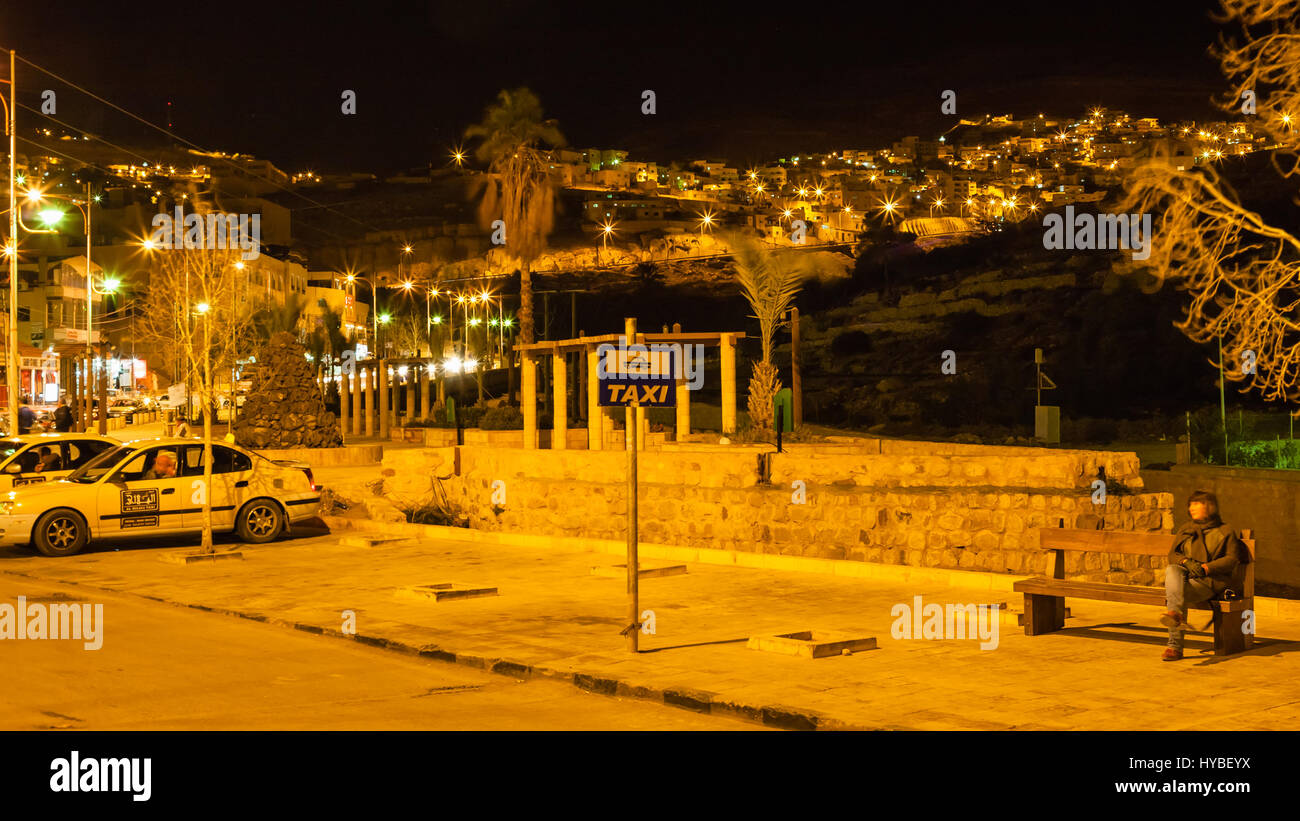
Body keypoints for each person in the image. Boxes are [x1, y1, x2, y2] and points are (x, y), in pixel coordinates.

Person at [1160, 490, 1248, 661]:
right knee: (1172, 570)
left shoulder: (1225, 531)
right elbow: (1173, 555)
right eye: (1190, 504)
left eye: (1196, 504)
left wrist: (1207, 568)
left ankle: (1174, 646)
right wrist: (1186, 562)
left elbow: (1232, 559)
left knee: (1175, 595)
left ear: (1210, 507)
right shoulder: (1186, 528)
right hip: (1184, 577)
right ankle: (1175, 616)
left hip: (1209, 582)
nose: (1191, 508)